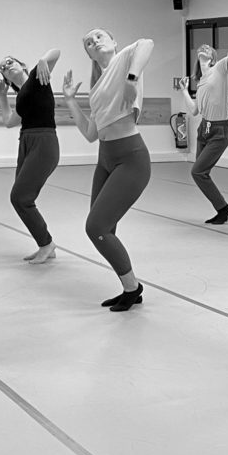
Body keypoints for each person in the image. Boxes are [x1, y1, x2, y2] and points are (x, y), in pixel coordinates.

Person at [61, 28, 154, 311]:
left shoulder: (125, 59)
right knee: (103, 228)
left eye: (99, 36)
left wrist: (132, 78)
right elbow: (91, 133)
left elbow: (147, 42)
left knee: (96, 227)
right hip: (105, 158)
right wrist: (69, 100)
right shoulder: (98, 86)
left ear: (113, 42)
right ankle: (129, 285)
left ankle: (132, 287)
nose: (94, 41)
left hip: (130, 158)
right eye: (88, 42)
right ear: (89, 54)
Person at [0, 49, 61, 264]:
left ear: (22, 65)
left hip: (43, 142)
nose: (7, 66)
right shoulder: (22, 96)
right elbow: (9, 122)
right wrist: (3, 96)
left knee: (20, 198)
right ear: (5, 78)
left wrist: (43, 60)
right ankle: (45, 244)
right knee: (22, 198)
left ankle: (46, 243)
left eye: (10, 62)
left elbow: (56, 53)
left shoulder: (37, 78)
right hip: (26, 142)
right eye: (3, 68)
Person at [175, 43, 228, 224]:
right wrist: (184, 90)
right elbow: (194, 110)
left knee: (197, 172)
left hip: (219, 130)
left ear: (213, 57)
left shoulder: (219, 68)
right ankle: (222, 207)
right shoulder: (200, 83)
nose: (203, 48)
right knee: (200, 173)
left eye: (207, 49)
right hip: (204, 129)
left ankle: (223, 209)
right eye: (201, 48)